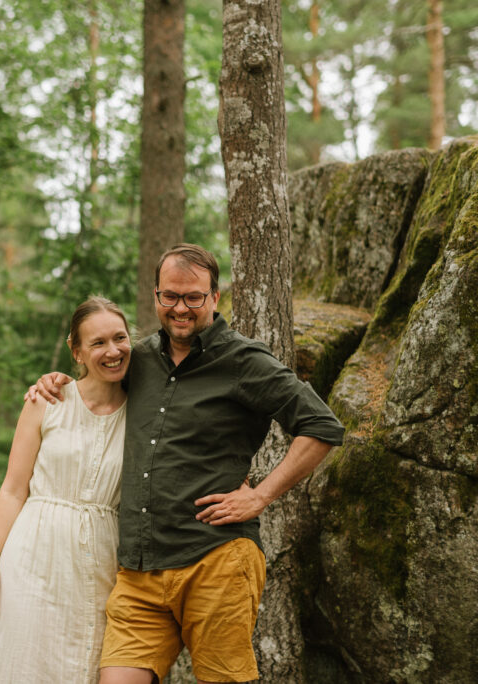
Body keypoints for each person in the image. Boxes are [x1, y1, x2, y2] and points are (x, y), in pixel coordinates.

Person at [30, 244, 345, 684]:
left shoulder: (245, 361)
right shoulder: (138, 358)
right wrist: (57, 381)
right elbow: (95, 376)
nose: (180, 308)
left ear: (215, 297)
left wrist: (260, 495)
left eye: (193, 297)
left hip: (215, 559)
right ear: (156, 295)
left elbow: (321, 426)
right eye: (170, 296)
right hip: (140, 571)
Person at [0, 297, 132, 683]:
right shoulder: (47, 401)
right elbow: (13, 490)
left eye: (120, 338)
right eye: (97, 343)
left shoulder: (144, 411)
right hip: (31, 557)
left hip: (100, 563)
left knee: (81, 666)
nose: (112, 351)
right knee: (20, 664)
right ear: (75, 351)